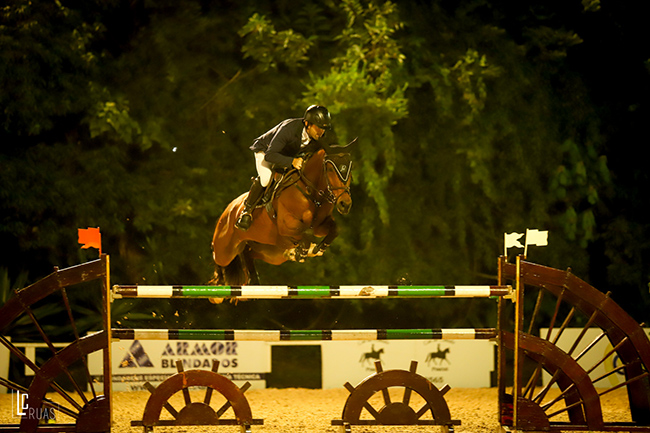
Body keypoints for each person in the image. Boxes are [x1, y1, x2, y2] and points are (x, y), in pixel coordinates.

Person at [235, 105, 332, 231]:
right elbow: (270, 155)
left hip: (287, 155)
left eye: (324, 129)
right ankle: (246, 212)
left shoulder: (318, 137)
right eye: (318, 128)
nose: (321, 132)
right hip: (266, 151)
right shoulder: (289, 129)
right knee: (266, 179)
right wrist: (292, 161)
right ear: (307, 124)